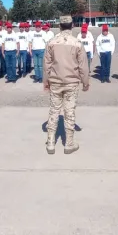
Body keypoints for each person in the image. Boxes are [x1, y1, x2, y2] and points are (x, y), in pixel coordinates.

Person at [43, 15, 90, 155]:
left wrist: (46, 82)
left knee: (54, 110)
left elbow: (46, 65)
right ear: (72, 25)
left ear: (59, 26)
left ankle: (50, 143)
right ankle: (69, 144)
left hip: (55, 82)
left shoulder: (51, 42)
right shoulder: (77, 43)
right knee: (69, 112)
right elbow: (83, 66)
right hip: (71, 83)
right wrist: (85, 82)